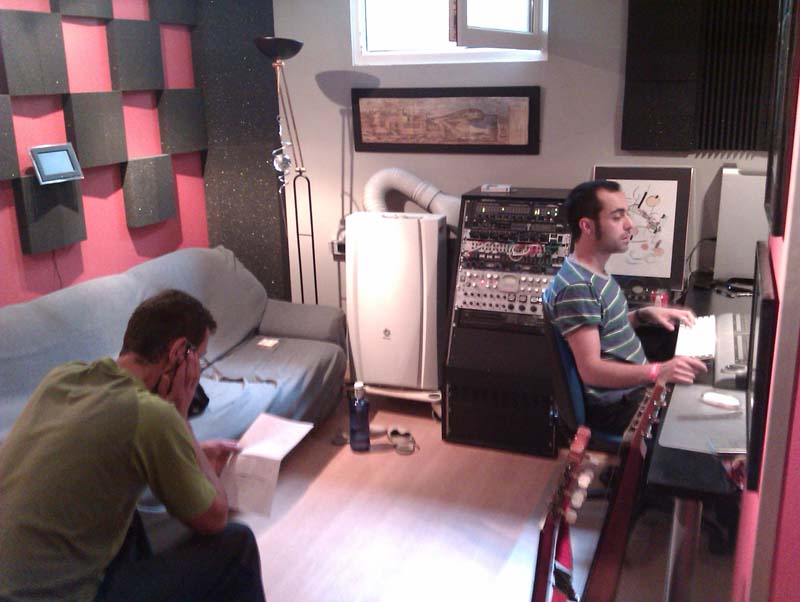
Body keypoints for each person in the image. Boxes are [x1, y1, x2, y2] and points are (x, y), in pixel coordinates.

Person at [0, 290, 266, 602]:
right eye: (200, 359)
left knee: (128, 518)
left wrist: (187, 452)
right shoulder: (152, 415)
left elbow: (101, 456)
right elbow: (215, 517)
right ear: (180, 352)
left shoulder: (62, 378)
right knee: (237, 545)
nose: (198, 374)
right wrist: (181, 418)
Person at [543, 180, 707, 435]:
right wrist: (658, 371)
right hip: (618, 406)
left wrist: (643, 315)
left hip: (630, 389)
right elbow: (591, 371)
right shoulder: (578, 288)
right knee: (704, 419)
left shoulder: (591, 272)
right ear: (587, 226)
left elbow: (603, 328)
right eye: (617, 217)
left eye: (626, 214)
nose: (630, 224)